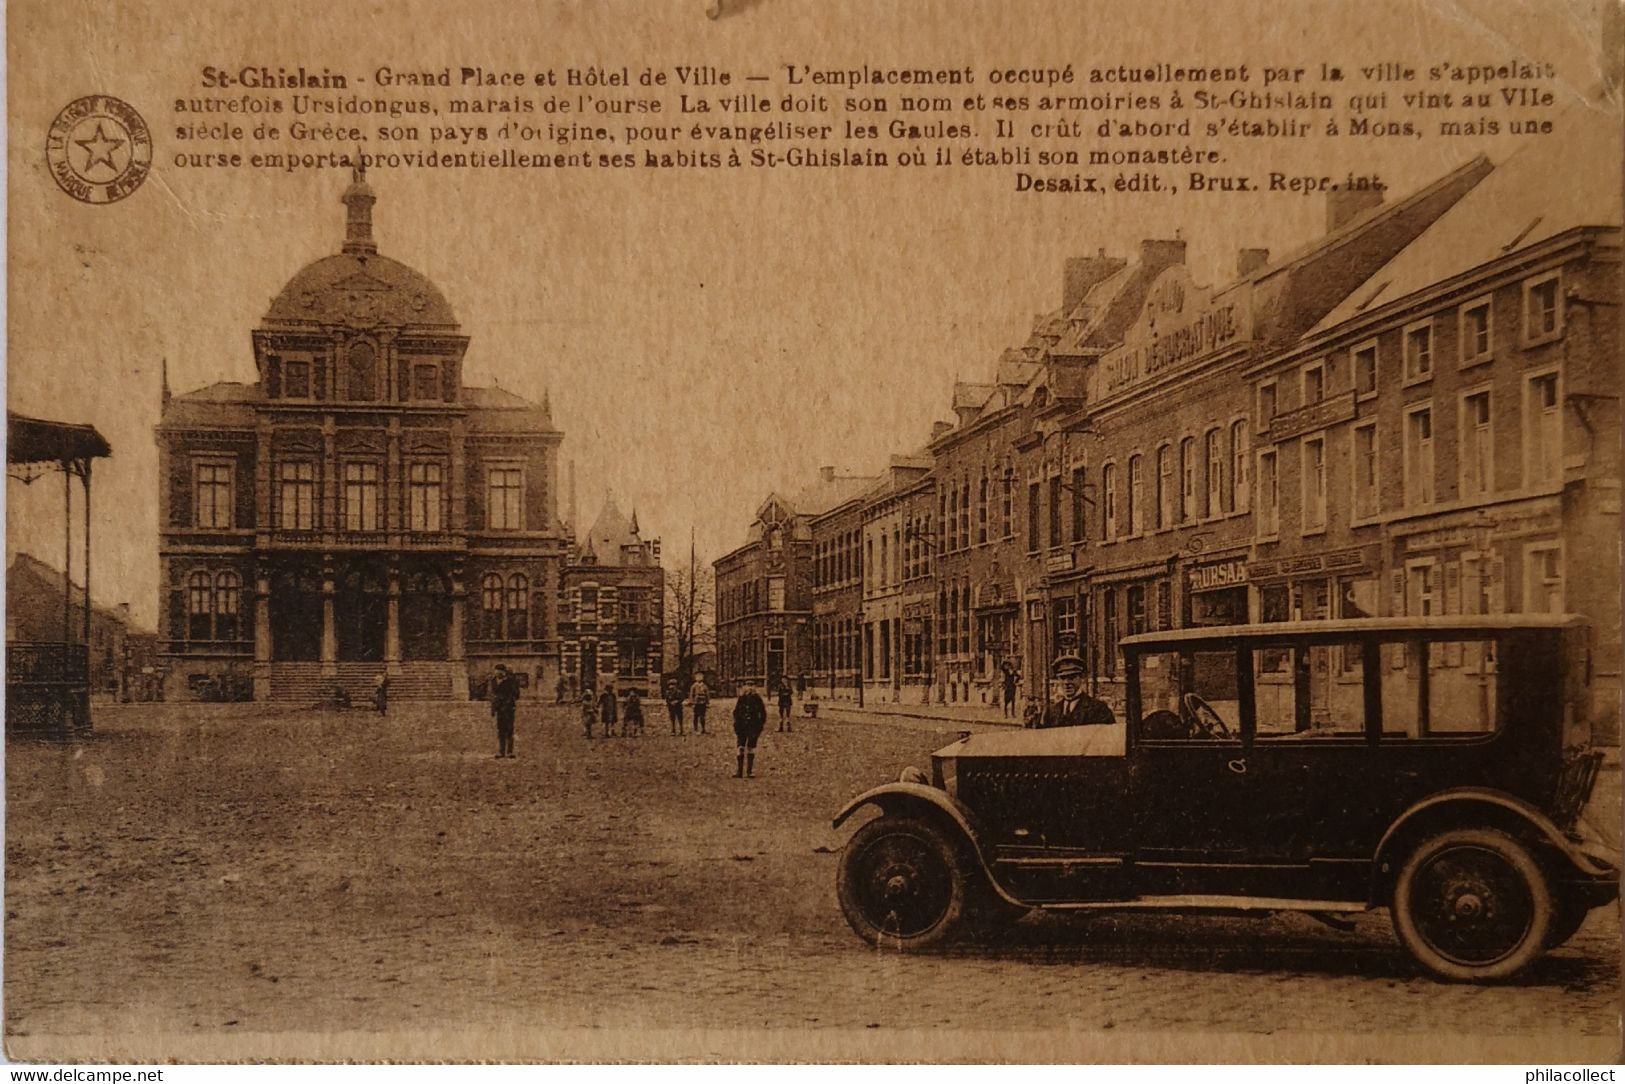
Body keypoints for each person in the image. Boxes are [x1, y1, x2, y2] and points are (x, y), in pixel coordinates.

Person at [1039, 654, 1115, 728]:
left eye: (1071, 678)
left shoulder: (1099, 709)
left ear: (1081, 678)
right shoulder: (1050, 712)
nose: (1067, 683)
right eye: (1062, 678)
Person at [732, 681, 767, 778]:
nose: (750, 688)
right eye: (747, 686)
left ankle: (749, 771)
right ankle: (739, 771)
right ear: (744, 687)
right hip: (742, 726)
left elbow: (763, 713)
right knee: (740, 747)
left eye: (752, 686)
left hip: (753, 726)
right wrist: (737, 723)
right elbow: (736, 712)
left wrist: (759, 725)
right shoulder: (741, 699)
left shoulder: (757, 699)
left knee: (751, 747)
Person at [489, 663, 521, 758]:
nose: (496, 673)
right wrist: (493, 708)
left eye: (498, 671)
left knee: (509, 729)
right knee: (500, 730)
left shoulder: (510, 681)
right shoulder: (493, 681)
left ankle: (510, 751)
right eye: (495, 671)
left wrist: (509, 701)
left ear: (503, 672)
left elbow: (516, 694)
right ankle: (501, 751)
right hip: (499, 708)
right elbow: (493, 695)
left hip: (509, 708)